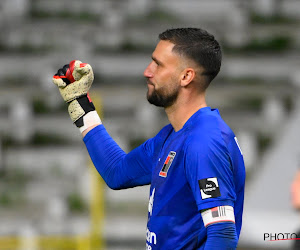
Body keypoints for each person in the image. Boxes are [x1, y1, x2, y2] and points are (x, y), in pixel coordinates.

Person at [53, 28, 246, 249]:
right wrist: (79, 104)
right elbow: (117, 172)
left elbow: (222, 234)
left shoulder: (204, 142)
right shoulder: (173, 135)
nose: (147, 71)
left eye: (158, 64)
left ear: (186, 76)